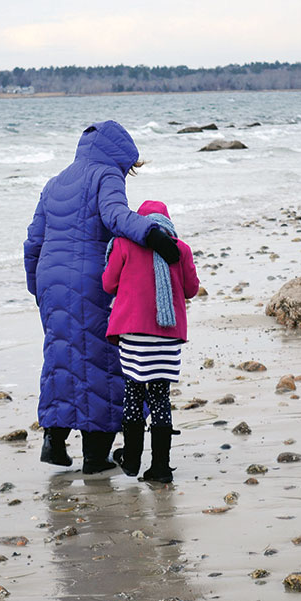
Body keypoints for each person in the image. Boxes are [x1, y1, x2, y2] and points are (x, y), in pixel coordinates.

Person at [24, 121, 180, 473]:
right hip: (90, 279)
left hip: (51, 278)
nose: (127, 173)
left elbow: (34, 241)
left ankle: (54, 439)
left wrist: (37, 288)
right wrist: (152, 234)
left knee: (60, 355)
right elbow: (115, 216)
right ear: (118, 155)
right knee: (105, 361)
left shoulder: (54, 182)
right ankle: (95, 456)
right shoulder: (106, 175)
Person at [102, 199, 199, 482]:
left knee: (133, 392)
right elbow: (191, 290)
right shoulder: (180, 249)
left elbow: (108, 284)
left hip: (133, 334)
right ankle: (160, 468)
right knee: (160, 398)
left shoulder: (123, 245)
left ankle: (131, 460)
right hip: (167, 337)